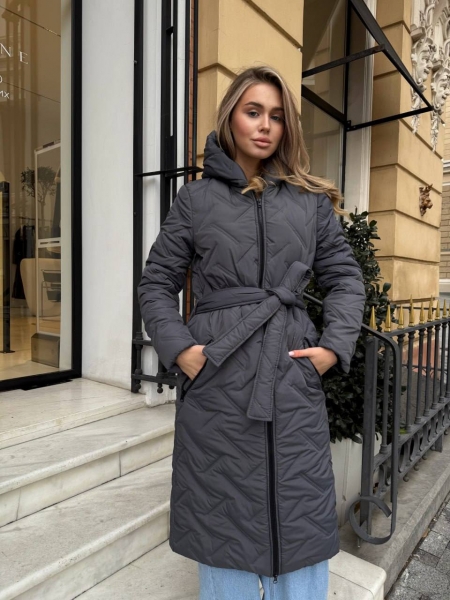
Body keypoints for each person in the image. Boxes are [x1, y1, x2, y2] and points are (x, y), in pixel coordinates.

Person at [138, 65, 366, 600]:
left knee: (299, 509)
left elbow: (345, 278)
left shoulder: (310, 202)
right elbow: (156, 283)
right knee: (222, 515)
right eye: (254, 112)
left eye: (277, 117)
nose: (265, 126)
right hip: (218, 375)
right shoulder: (195, 200)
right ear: (231, 117)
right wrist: (182, 351)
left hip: (291, 374)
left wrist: (333, 348)